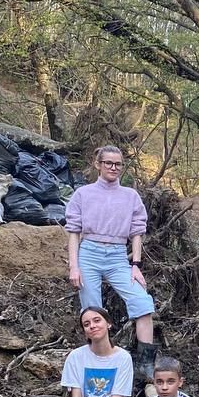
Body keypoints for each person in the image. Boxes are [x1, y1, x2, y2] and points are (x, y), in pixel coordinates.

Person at [65, 144, 157, 381]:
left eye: (118, 164)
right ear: (98, 165)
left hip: (118, 255)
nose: (114, 168)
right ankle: (98, 359)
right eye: (109, 163)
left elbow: (137, 231)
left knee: (142, 301)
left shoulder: (130, 196)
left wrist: (135, 265)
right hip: (89, 252)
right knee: (92, 311)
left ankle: (145, 364)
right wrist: (74, 266)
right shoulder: (83, 194)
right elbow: (73, 231)